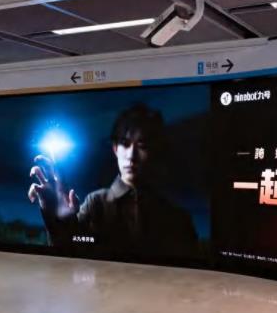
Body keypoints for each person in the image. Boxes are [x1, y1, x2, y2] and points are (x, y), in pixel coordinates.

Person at [27, 103, 198, 258]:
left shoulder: (177, 218)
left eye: (142, 145)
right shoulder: (95, 204)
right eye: (125, 143)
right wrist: (57, 223)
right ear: (115, 148)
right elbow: (68, 258)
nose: (131, 156)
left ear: (155, 150)